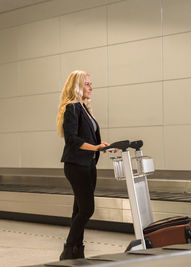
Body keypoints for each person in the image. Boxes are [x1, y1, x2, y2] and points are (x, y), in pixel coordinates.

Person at [56, 70, 110, 260]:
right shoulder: (72, 108)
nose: (91, 87)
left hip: (88, 164)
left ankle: (77, 250)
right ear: (77, 86)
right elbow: (72, 139)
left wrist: (100, 147)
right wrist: (94, 147)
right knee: (87, 209)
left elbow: (89, 138)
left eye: (90, 83)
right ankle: (68, 248)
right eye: (87, 84)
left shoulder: (85, 108)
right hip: (76, 165)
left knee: (79, 209)